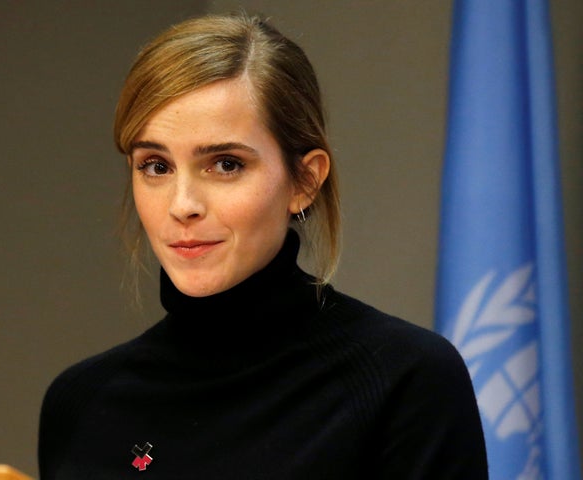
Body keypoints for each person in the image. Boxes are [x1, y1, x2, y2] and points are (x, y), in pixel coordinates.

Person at [38, 12, 488, 479]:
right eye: (155, 166)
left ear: (305, 181)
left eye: (226, 164)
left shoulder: (406, 380)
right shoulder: (81, 401)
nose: (183, 205)